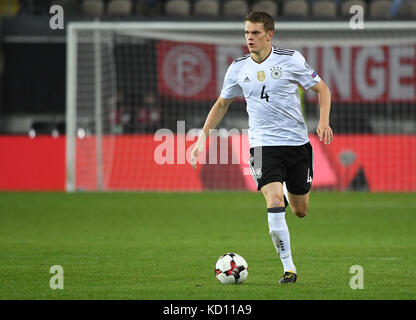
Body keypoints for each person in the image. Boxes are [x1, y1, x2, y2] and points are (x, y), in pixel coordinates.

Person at [190, 11, 333, 284]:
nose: (249, 38)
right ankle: (289, 268)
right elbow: (221, 104)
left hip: (297, 145)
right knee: (274, 200)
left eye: (255, 33)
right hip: (262, 146)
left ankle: (290, 191)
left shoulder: (291, 60)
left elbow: (323, 89)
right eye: (246, 33)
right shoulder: (238, 68)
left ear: (269, 34)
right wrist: (201, 139)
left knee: (300, 210)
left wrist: (324, 121)